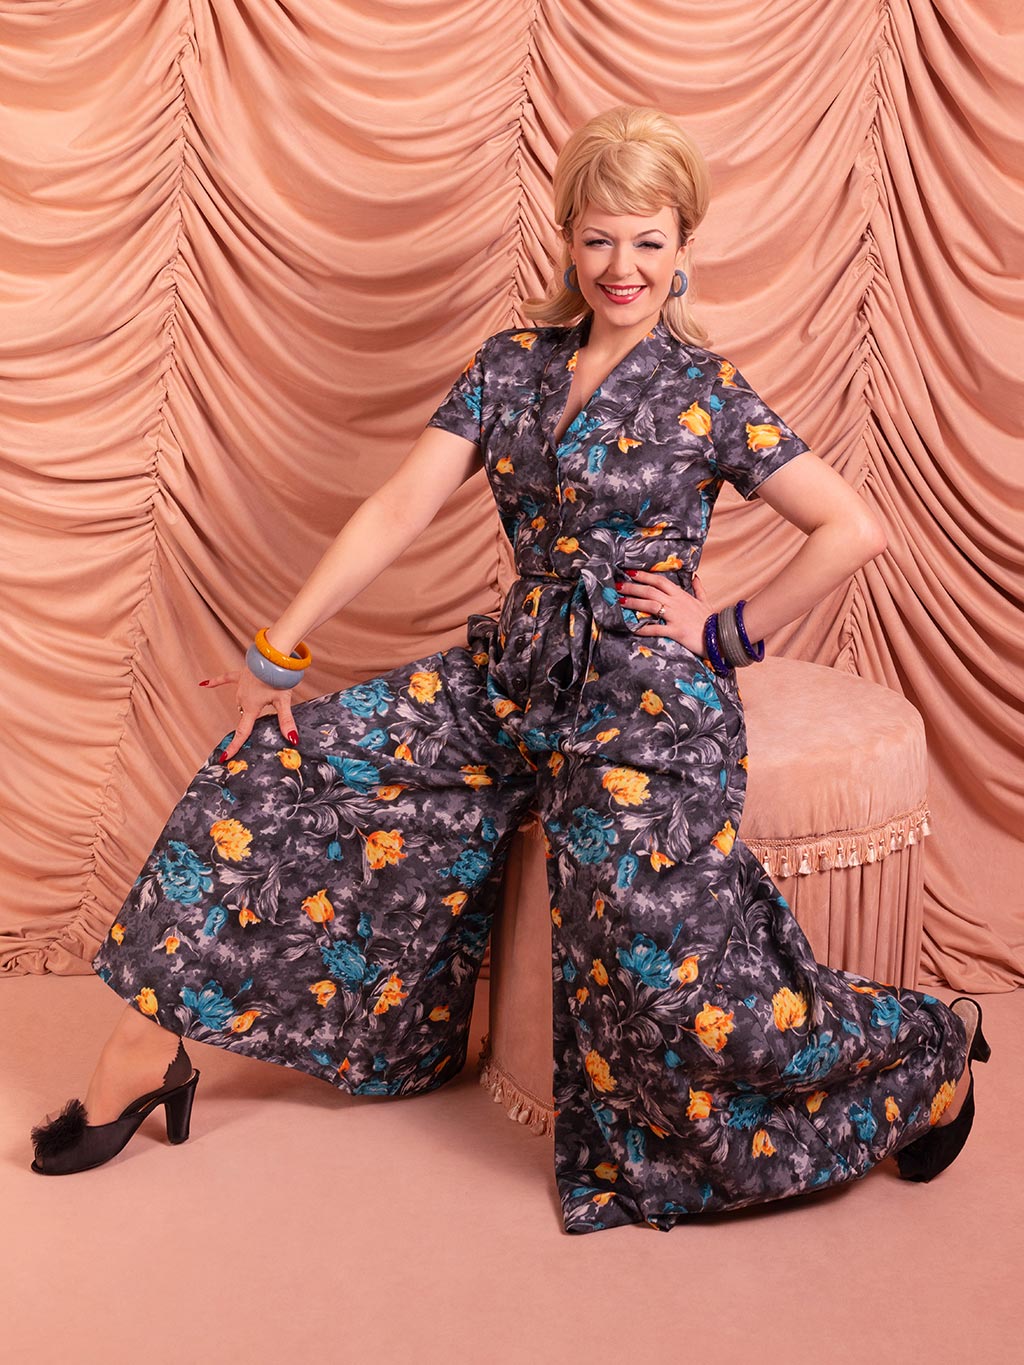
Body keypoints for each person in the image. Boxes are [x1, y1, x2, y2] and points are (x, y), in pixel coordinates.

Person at [31, 105, 990, 1234]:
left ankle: (930, 1053)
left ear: (683, 246)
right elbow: (397, 506)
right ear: (567, 239)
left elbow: (851, 529)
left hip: (644, 708)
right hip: (512, 680)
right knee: (272, 768)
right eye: (597, 238)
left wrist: (723, 633)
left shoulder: (707, 390)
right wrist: (274, 654)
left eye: (645, 240)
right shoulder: (511, 367)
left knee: (666, 996)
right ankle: (145, 1055)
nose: (620, 266)